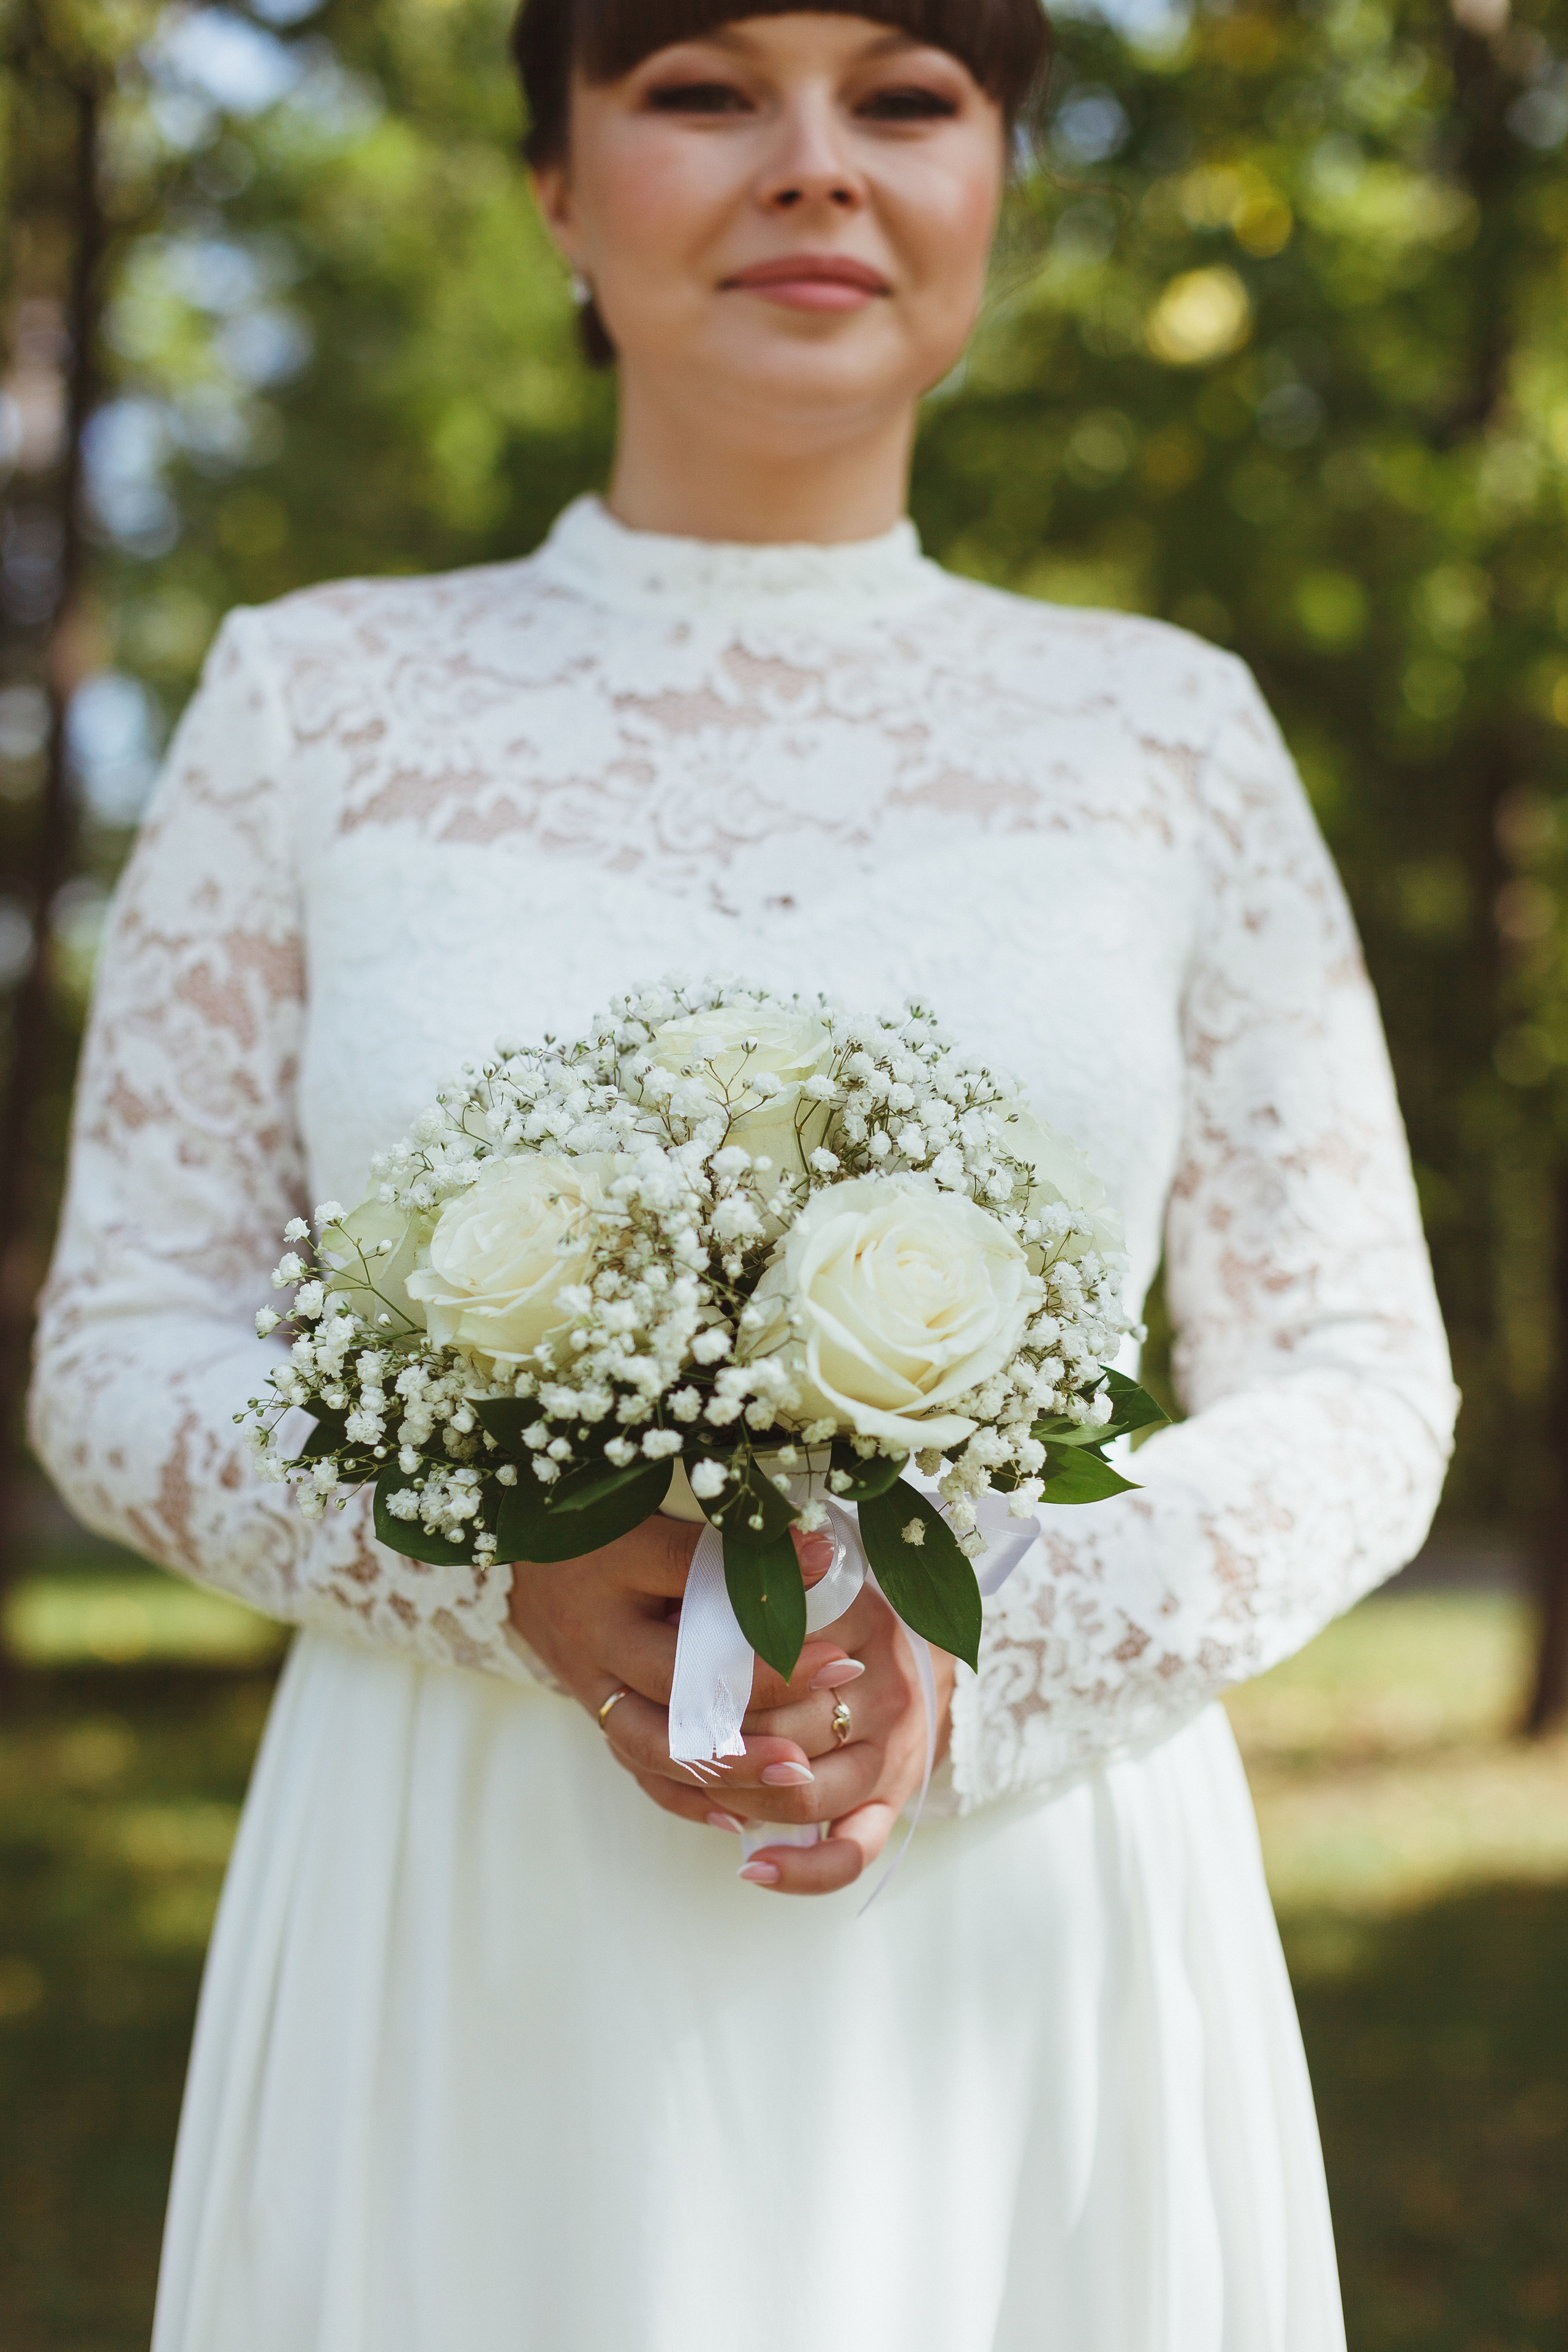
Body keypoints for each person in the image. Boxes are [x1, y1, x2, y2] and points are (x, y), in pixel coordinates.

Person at [29, 4, 1457, 2345]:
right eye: (703, 91)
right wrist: (485, 1555)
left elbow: (1361, 1377)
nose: (816, 166)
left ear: (997, 182)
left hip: (1026, 1910)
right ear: (557, 198)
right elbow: (116, 1349)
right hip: (465, 1890)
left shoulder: (1168, 728)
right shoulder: (322, 699)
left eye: (906, 99)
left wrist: (982, 1674)